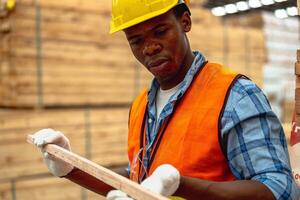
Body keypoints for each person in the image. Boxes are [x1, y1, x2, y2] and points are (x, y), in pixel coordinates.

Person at [32, 0, 300, 199]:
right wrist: (70, 167)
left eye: (160, 31)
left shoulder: (235, 96)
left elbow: (280, 189)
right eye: (136, 40)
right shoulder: (141, 106)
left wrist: (178, 183)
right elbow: (141, 182)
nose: (149, 47)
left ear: (185, 22)